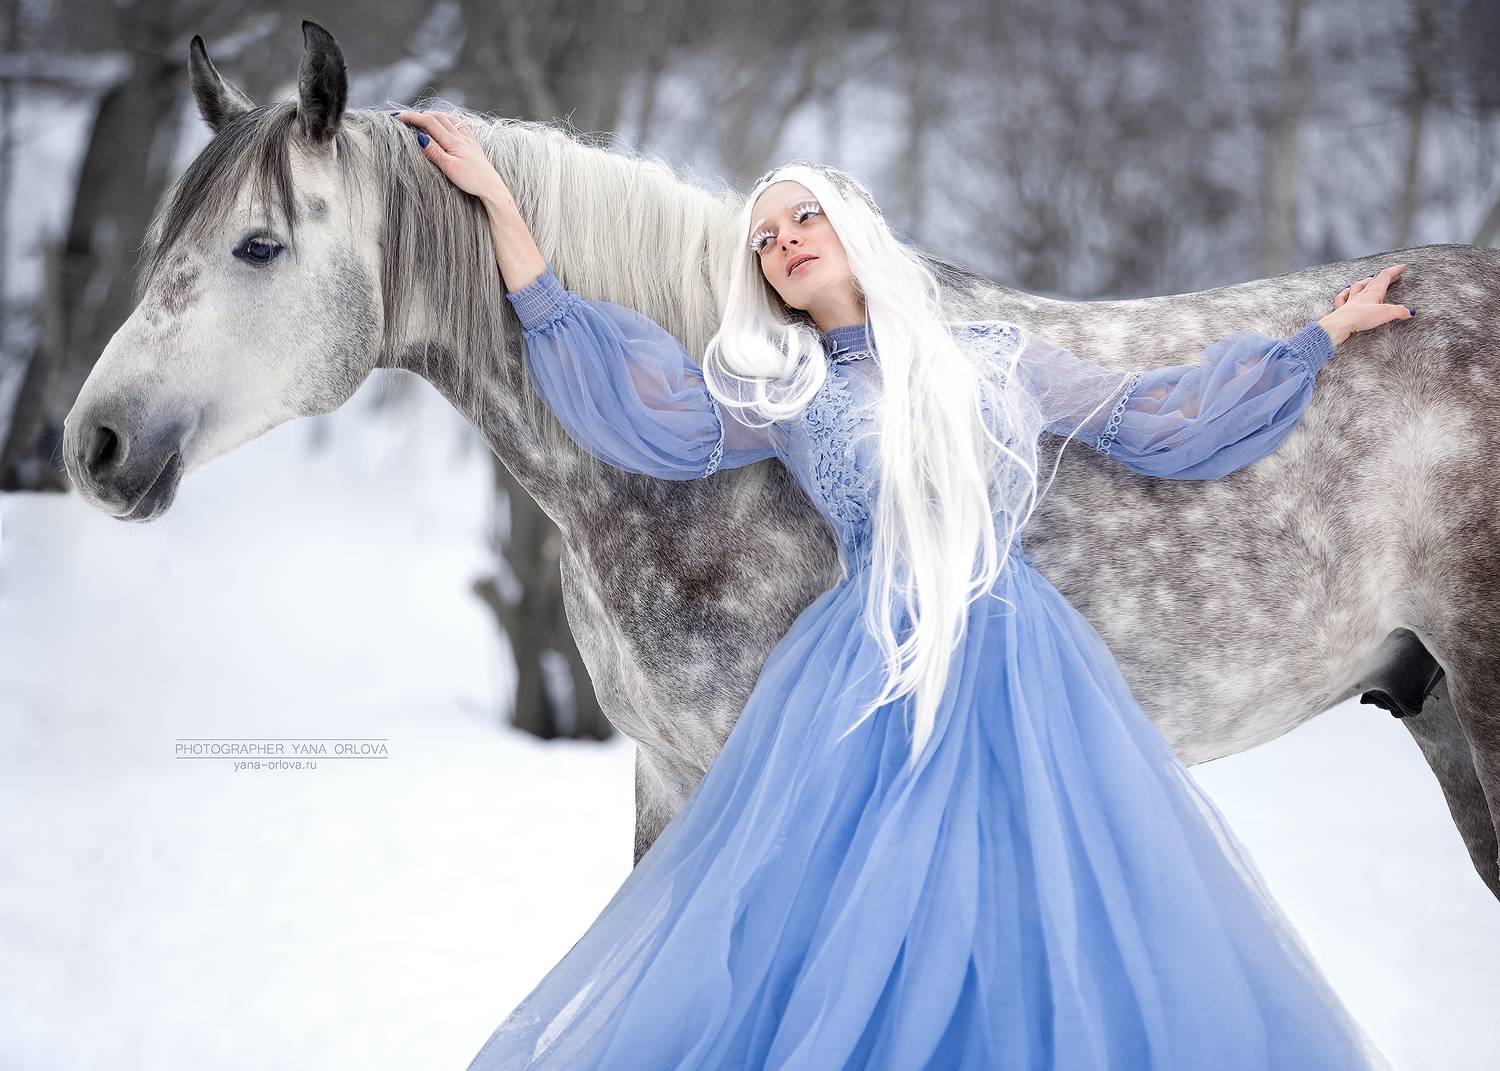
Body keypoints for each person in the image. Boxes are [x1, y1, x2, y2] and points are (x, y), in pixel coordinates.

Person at [397, 109, 1408, 1070]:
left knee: (1028, 894)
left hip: (1017, 654)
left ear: (853, 232)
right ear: (766, 284)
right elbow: (638, 406)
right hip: (862, 669)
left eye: (804, 217)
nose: (785, 242)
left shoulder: (997, 360)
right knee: (859, 916)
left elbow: (1163, 418)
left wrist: (1317, 340)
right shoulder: (787, 394)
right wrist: (504, 212)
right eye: (763, 241)